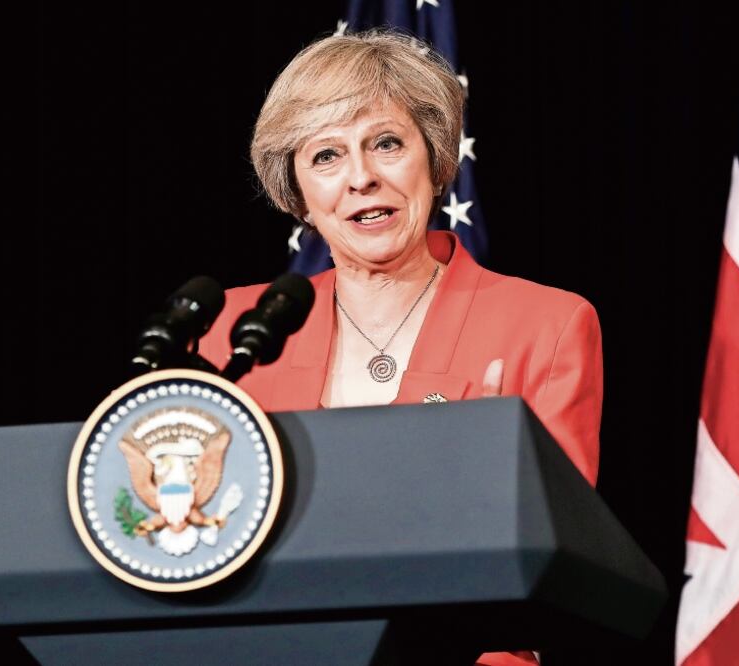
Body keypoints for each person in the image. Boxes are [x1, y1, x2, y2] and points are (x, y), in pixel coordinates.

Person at [198, 29, 603, 666]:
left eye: (386, 144)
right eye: (326, 156)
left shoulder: (545, 326)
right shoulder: (235, 331)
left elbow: (557, 578)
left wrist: (492, 496)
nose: (360, 177)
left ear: (434, 158)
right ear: (297, 191)